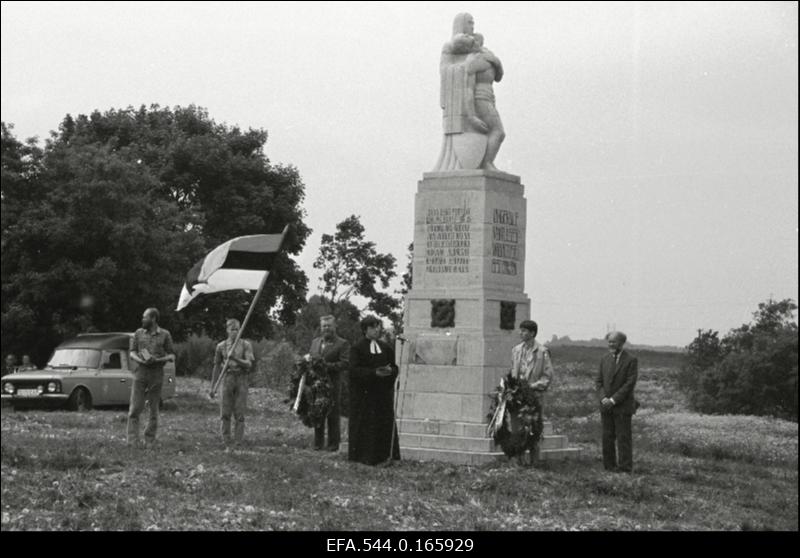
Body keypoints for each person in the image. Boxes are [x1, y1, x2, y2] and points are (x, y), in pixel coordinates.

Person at [434, 13, 505, 171]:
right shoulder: (457, 46)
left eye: (473, 23)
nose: (472, 26)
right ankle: (487, 162)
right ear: (461, 24)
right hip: (478, 98)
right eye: (469, 23)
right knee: (498, 132)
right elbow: (463, 77)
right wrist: (471, 115)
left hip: (488, 98)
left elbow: (499, 75)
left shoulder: (483, 53)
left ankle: (486, 163)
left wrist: (493, 60)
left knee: (497, 132)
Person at [348, 316, 400, 465]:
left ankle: (385, 456)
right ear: (365, 330)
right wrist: (373, 373)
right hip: (365, 396)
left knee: (383, 424)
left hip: (382, 395)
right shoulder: (357, 348)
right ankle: (365, 457)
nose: (377, 329)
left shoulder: (385, 348)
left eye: (378, 326)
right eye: (373, 327)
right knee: (367, 426)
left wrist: (391, 371)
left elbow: (395, 367)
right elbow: (354, 371)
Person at [127, 307, 175, 448]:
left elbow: (172, 355)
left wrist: (158, 360)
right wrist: (141, 360)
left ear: (153, 319)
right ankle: (132, 441)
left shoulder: (165, 334)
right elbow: (132, 352)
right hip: (140, 372)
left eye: (145, 317)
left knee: (153, 408)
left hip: (156, 373)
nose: (143, 320)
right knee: (135, 407)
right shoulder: (138, 333)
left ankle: (149, 440)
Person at [509, 320, 553, 463]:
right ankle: (518, 460)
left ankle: (534, 462)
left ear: (532, 333)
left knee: (533, 428)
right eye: (520, 330)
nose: (520, 333)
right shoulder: (516, 350)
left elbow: (547, 376)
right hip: (517, 395)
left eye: (524, 331)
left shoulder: (542, 352)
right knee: (516, 428)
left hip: (534, 396)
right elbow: (513, 371)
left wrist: (533, 386)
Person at [595, 331, 639, 473]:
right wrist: (603, 399)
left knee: (623, 438)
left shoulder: (631, 360)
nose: (610, 344)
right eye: (609, 342)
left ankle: (625, 468)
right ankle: (609, 467)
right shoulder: (604, 359)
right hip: (605, 406)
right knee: (607, 437)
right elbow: (599, 381)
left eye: (613, 342)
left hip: (622, 406)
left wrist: (613, 400)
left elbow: (629, 383)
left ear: (622, 343)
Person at [210, 318, 255, 450]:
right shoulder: (221, 346)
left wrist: (235, 358)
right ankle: (226, 441)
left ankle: (238, 442)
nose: (235, 332)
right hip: (227, 378)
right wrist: (213, 387)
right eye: (232, 329)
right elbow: (216, 366)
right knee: (225, 412)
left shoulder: (246, 345)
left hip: (241, 378)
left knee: (239, 413)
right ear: (227, 330)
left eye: (237, 329)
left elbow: (249, 363)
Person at [307, 315, 350, 452]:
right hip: (316, 383)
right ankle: (318, 444)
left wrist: (326, 366)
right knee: (317, 412)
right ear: (321, 327)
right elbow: (310, 358)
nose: (326, 328)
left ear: (334, 326)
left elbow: (345, 363)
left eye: (329, 326)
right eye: (324, 326)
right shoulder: (315, 342)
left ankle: (333, 444)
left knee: (332, 414)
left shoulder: (342, 343)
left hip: (333, 383)